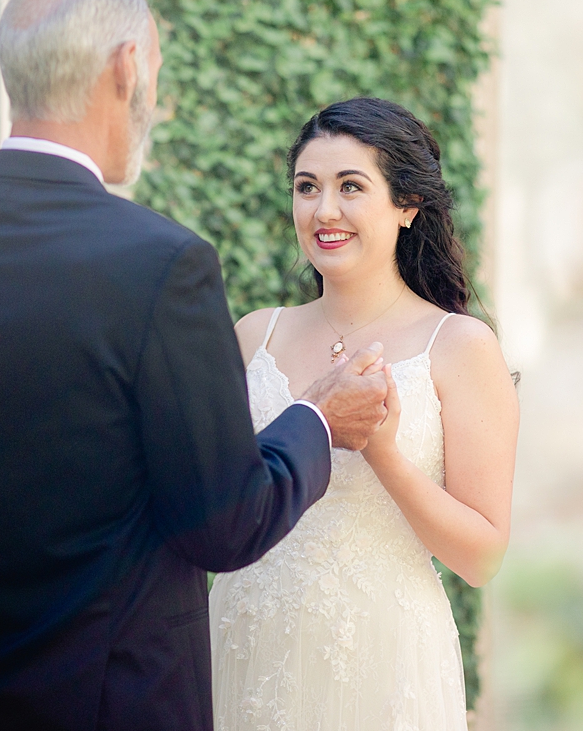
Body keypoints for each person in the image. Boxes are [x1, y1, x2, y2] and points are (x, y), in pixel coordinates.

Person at [0, 0, 390, 731]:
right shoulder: (160, 263)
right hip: (113, 703)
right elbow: (227, 523)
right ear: (125, 68)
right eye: (155, 70)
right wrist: (316, 419)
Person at [208, 97, 520, 730]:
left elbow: (482, 556)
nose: (324, 211)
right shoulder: (252, 337)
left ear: (406, 206)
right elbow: (216, 504)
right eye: (307, 187)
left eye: (351, 186)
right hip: (245, 641)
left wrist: (383, 454)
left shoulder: (458, 347)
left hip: (383, 658)